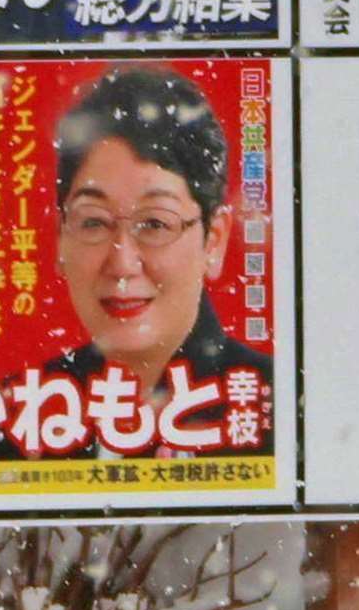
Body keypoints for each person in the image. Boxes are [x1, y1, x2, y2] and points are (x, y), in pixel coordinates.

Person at [35, 63, 271, 451]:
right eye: (94, 222)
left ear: (214, 240)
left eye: (156, 224)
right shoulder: (22, 416)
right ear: (61, 238)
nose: (123, 263)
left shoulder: (274, 409)